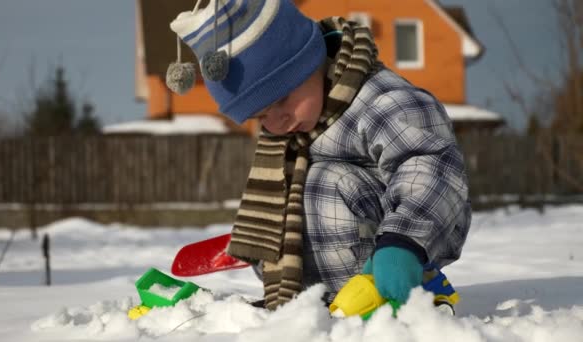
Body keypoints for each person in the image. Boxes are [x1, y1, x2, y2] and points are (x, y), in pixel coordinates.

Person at [168, 0, 471, 311]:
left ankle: (373, 276)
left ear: (312, 61)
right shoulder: (296, 121)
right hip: (335, 259)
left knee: (324, 182)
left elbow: (431, 168)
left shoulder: (384, 102)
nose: (277, 122)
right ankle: (282, 254)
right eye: (261, 116)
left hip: (407, 241)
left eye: (283, 99)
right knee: (278, 193)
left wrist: (404, 241)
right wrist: (265, 227)